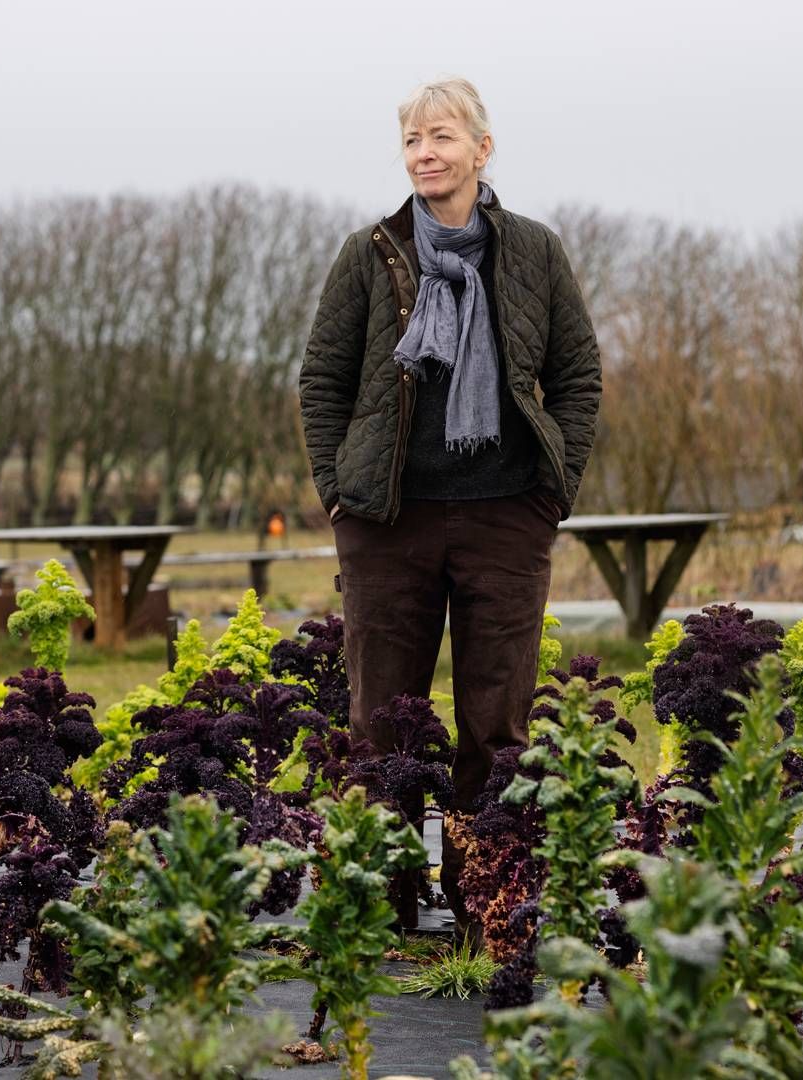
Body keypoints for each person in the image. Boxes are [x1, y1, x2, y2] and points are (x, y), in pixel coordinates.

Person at [298, 77, 601, 939]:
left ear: (481, 148)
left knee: (497, 724)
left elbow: (578, 376)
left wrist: (554, 489)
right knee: (381, 720)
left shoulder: (534, 253)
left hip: (508, 516)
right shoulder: (369, 254)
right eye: (411, 142)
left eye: (441, 137)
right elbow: (322, 381)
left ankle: (484, 907)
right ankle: (378, 908)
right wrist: (337, 494)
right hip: (387, 522)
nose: (425, 153)